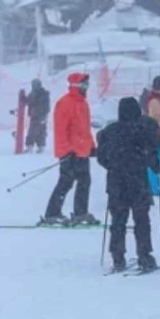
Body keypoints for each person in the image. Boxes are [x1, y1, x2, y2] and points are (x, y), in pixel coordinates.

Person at [96, 96, 160, 273]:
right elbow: (152, 152)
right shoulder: (142, 130)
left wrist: (113, 165)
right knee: (142, 220)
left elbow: (101, 157)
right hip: (138, 181)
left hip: (116, 182)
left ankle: (118, 257)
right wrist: (156, 166)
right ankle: (145, 256)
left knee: (118, 221)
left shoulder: (110, 131)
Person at [41, 73, 98, 226]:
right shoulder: (64, 103)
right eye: (84, 85)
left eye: (87, 85)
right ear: (75, 86)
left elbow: (85, 129)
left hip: (83, 151)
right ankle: (52, 213)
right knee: (66, 181)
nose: (86, 88)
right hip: (70, 152)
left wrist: (92, 146)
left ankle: (80, 213)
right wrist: (65, 151)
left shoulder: (83, 104)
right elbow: (60, 130)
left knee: (85, 181)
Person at [25, 79, 50, 154]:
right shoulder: (33, 93)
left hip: (40, 116)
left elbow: (46, 106)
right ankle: (37, 147)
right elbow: (28, 100)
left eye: (35, 85)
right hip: (35, 115)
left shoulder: (43, 94)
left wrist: (44, 116)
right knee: (37, 132)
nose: (34, 86)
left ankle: (34, 147)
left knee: (35, 132)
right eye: (33, 85)